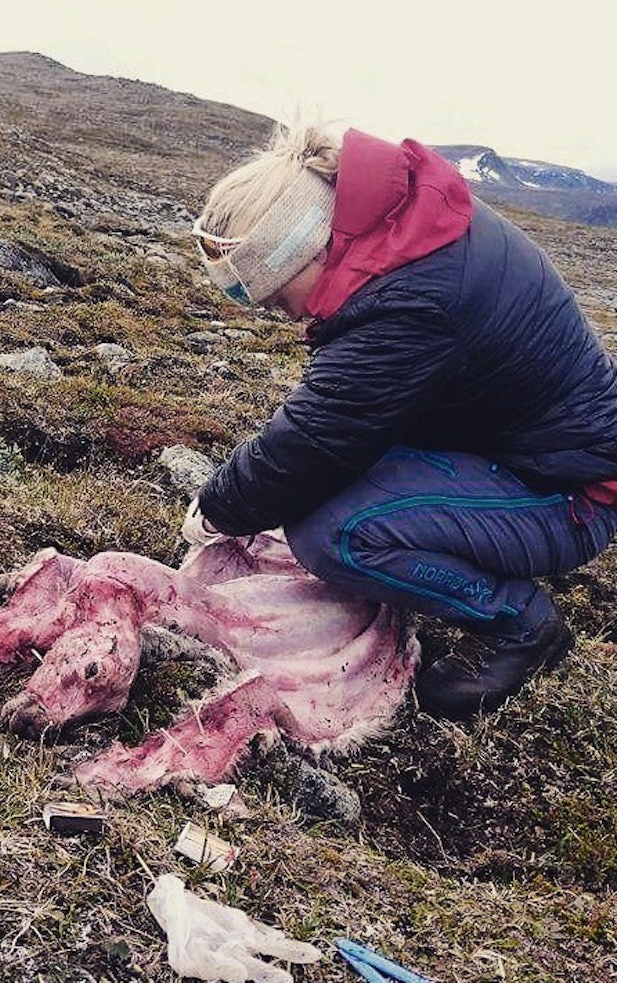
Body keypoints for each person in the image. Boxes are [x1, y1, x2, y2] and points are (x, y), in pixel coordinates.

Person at [182, 121, 617, 720]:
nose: (288, 316)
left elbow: (316, 438)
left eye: (280, 298)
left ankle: (524, 625)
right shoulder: (404, 235)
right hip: (517, 452)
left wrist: (217, 509)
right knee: (320, 496)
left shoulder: (410, 298)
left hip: (570, 495)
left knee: (334, 534)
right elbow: (343, 423)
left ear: (308, 247)